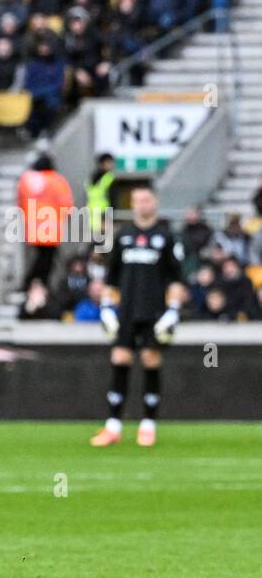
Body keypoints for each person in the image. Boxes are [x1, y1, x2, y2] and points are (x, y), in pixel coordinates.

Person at [91, 188, 184, 448]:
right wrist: (107, 308)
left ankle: (148, 425)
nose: (141, 204)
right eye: (137, 200)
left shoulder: (166, 237)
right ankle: (113, 426)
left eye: (146, 200)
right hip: (127, 310)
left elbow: (176, 279)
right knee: (120, 357)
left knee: (150, 358)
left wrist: (173, 311)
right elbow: (111, 279)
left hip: (154, 310)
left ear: (154, 202)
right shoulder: (124, 236)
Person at [16, 153, 74, 290]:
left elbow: (21, 202)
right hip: (51, 227)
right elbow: (66, 203)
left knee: (42, 256)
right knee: (46, 259)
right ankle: (35, 283)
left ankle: (35, 284)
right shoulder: (56, 180)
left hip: (33, 226)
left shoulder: (27, 180)